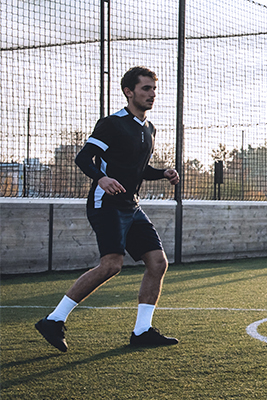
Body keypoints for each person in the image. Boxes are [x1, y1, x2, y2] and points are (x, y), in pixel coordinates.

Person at [34, 66, 182, 352]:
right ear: (129, 92)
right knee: (112, 265)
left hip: (131, 205)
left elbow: (136, 170)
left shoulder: (149, 129)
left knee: (157, 262)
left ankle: (142, 331)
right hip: (106, 204)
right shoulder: (112, 123)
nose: (152, 94)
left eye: (154, 89)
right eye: (145, 89)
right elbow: (83, 158)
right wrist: (101, 178)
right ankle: (53, 320)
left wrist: (163, 173)